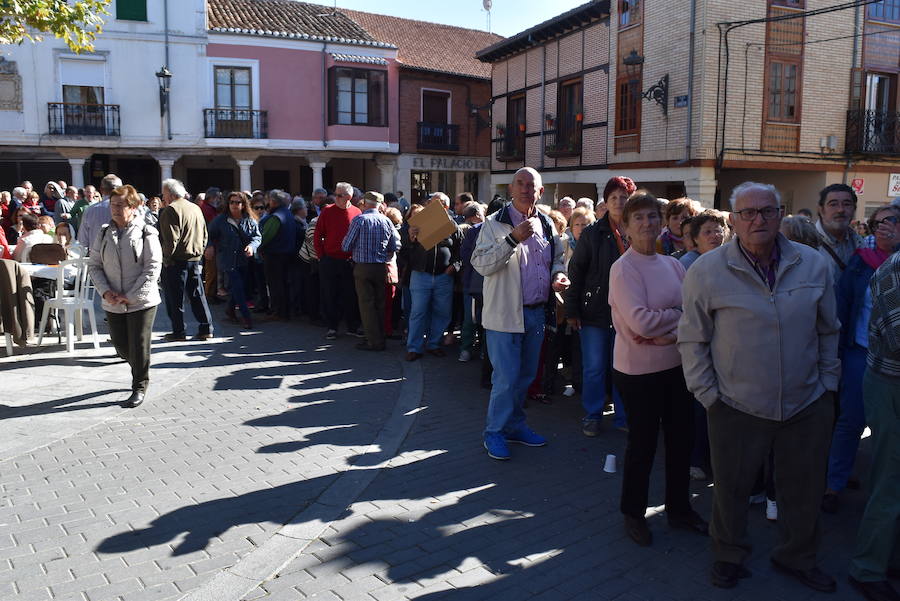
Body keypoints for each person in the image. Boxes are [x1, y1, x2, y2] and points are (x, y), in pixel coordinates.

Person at [678, 181, 840, 592]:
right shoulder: (706, 270)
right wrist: (708, 395)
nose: (758, 220)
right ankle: (728, 555)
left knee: (803, 492)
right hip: (735, 404)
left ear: (780, 215)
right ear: (732, 221)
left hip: (806, 402)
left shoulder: (813, 264)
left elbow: (828, 330)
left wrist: (827, 384)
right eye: (747, 213)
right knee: (730, 491)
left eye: (767, 211)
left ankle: (798, 557)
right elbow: (692, 338)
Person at [608, 191, 708, 546]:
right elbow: (640, 323)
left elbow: (691, 313)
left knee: (681, 441)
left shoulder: (673, 265)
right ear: (627, 227)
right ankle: (633, 514)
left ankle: (679, 509)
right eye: (639, 218)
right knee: (643, 445)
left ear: (663, 223)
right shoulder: (623, 269)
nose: (648, 223)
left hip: (676, 365)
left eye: (653, 216)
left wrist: (667, 327)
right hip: (638, 372)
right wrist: (674, 322)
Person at [471, 167, 569, 461]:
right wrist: (512, 239)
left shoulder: (548, 225)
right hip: (504, 315)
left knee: (525, 377)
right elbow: (481, 265)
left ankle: (515, 426)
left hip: (536, 314)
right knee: (506, 379)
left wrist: (559, 275)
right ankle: (495, 433)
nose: (526, 189)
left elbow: (557, 259)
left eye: (532, 186)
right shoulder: (493, 224)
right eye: (521, 184)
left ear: (540, 192)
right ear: (511, 189)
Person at [824, 205, 900, 515]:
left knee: (887, 430)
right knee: (850, 421)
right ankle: (833, 484)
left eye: (895, 221)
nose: (889, 227)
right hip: (860, 352)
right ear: (871, 228)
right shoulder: (860, 262)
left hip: (893, 361)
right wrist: (838, 355)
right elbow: (843, 307)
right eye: (882, 222)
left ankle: (882, 494)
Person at [847, 249, 900, 601]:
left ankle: (887, 556)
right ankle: (867, 568)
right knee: (890, 480)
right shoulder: (895, 271)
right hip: (890, 387)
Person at [565, 176, 635, 436]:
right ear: (606, 201)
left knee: (623, 368)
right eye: (614, 197)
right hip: (594, 312)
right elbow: (576, 271)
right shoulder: (593, 233)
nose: (618, 202)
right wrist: (572, 310)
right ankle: (593, 415)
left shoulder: (637, 231)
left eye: (623, 197)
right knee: (594, 368)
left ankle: (623, 415)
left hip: (628, 314)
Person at [87, 184, 162, 408]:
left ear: (133, 207)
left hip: (141, 300)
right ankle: (140, 367)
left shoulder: (147, 231)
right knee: (121, 345)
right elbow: (94, 266)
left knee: (138, 343)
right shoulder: (103, 232)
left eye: (120, 205)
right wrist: (105, 292)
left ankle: (139, 385)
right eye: (113, 205)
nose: (115, 210)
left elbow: (153, 267)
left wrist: (132, 295)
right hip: (113, 301)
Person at [402, 192, 462, 361]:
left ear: (446, 207)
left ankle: (434, 344)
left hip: (444, 276)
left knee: (442, 313)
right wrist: (411, 239)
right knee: (418, 312)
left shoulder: (453, 226)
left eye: (438, 203)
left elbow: (461, 250)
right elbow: (404, 254)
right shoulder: (418, 224)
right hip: (421, 275)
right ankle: (414, 347)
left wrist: (454, 266)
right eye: (430, 203)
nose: (433, 206)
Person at [341, 191, 401, 351]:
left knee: (366, 305)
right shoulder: (386, 221)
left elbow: (346, 246)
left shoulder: (359, 220)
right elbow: (394, 246)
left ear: (366, 203)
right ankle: (379, 338)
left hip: (363, 267)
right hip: (381, 267)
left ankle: (373, 341)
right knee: (380, 304)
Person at [158, 178, 213, 341]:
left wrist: (166, 260)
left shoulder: (170, 210)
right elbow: (204, 234)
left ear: (169, 194)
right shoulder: (195, 208)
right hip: (195, 258)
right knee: (197, 294)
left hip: (176, 260)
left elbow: (170, 240)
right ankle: (206, 328)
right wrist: (200, 252)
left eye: (164, 194)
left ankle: (179, 331)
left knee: (175, 298)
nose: (163, 197)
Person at [206, 191, 261, 329]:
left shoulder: (250, 220)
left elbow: (257, 237)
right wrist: (210, 247)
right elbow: (209, 235)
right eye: (232, 202)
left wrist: (252, 246)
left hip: (244, 259)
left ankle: (230, 310)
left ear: (243, 204)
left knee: (238, 287)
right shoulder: (220, 220)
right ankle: (247, 318)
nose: (234, 205)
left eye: (238, 202)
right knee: (238, 287)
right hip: (227, 259)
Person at [315, 182, 363, 340]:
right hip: (329, 260)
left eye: (339, 195)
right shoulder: (327, 211)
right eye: (335, 194)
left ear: (349, 197)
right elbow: (317, 235)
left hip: (349, 261)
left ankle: (352, 326)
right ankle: (332, 327)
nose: (335, 197)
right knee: (329, 294)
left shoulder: (357, 212)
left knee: (350, 294)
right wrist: (322, 256)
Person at [256, 189, 297, 322]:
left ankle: (279, 312)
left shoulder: (276, 217)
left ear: (273, 202)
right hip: (286, 254)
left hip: (275, 255)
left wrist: (258, 247)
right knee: (283, 284)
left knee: (276, 284)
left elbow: (265, 237)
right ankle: (284, 311)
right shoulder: (288, 213)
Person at [816, 183, 864, 283]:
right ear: (821, 210)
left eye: (847, 204)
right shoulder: (806, 242)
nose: (840, 210)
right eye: (833, 204)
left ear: (854, 209)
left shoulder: (860, 244)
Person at [78, 174, 120, 252]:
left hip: (97, 256)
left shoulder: (90, 210)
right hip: (121, 255)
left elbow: (83, 241)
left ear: (101, 189)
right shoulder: (128, 209)